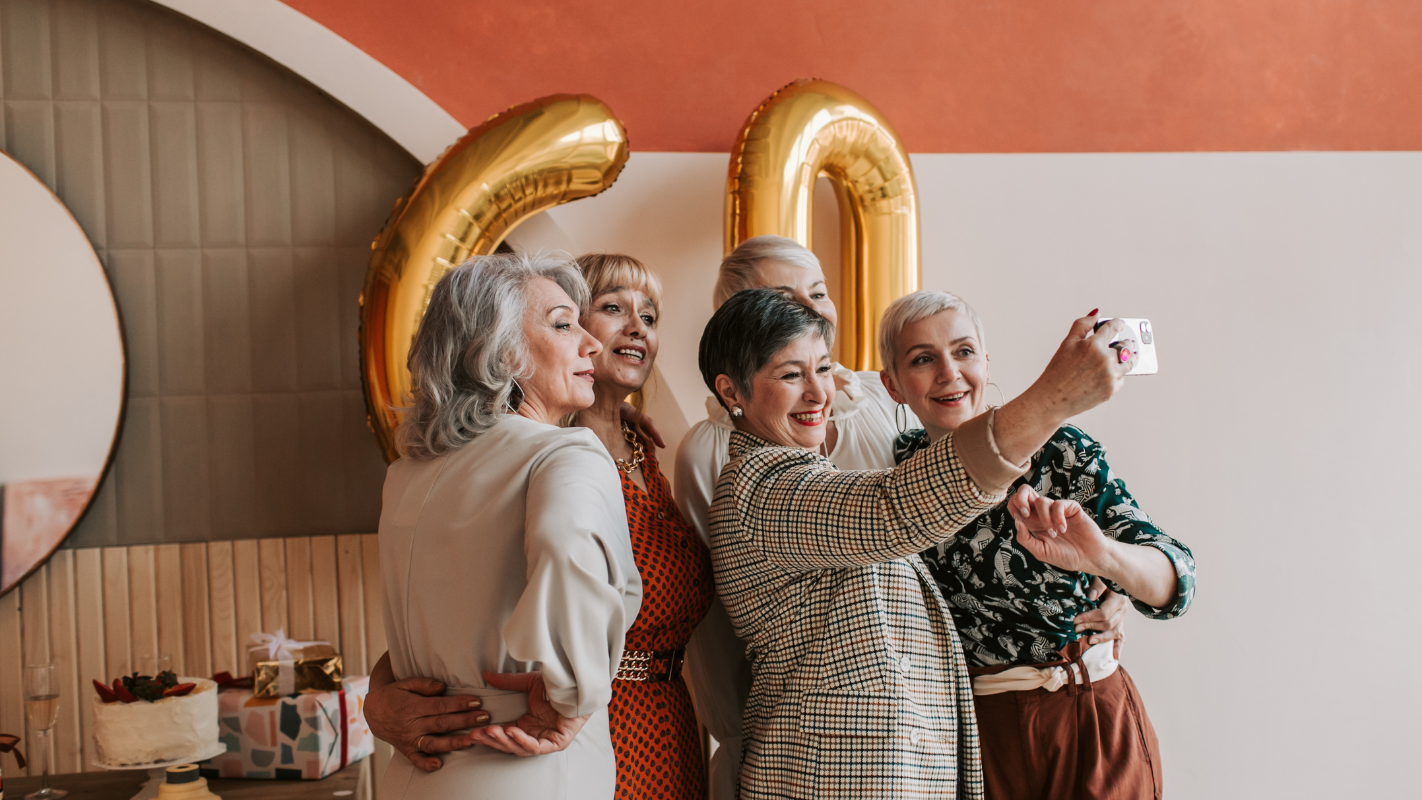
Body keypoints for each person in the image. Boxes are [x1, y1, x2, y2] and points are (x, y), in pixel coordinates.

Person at [699, 288, 1136, 800]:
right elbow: (895, 509)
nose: (819, 394)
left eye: (823, 369)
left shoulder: (818, 473)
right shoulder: (758, 486)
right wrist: (1054, 399)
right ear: (732, 391)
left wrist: (1109, 571)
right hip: (825, 781)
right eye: (791, 375)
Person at [879, 290, 1196, 799]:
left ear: (986, 360)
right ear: (892, 385)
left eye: (963, 351)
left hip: (1090, 717)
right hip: (979, 739)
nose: (949, 373)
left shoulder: (1060, 449)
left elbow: (1176, 581)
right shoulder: (896, 475)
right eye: (923, 358)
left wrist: (1105, 561)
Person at [373, 252, 642, 800]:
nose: (590, 343)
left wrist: (378, 692)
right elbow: (573, 566)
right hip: (524, 760)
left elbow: (437, 616)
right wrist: (571, 700)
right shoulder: (565, 456)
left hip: (412, 770)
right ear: (502, 352)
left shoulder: (404, 474)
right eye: (564, 324)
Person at [673, 236, 917, 798]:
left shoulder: (887, 397)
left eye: (818, 292)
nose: (808, 309)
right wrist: (740, 739)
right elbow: (713, 621)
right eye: (783, 296)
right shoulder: (712, 454)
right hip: (804, 732)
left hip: (919, 701)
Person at [562, 254, 713, 800]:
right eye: (613, 309)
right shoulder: (553, 452)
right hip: (602, 720)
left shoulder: (644, 448)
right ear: (569, 327)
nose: (636, 329)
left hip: (671, 712)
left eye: (648, 317)